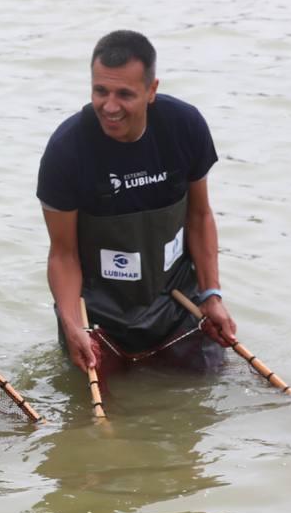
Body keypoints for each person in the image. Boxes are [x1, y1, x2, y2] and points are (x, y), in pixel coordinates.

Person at [37, 30, 236, 374]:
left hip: (176, 302)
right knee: (97, 421)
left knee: (203, 399)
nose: (109, 107)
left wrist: (212, 295)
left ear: (151, 90)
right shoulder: (66, 149)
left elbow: (200, 217)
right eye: (101, 91)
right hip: (97, 314)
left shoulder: (184, 127)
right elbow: (63, 253)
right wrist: (73, 325)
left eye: (124, 94)